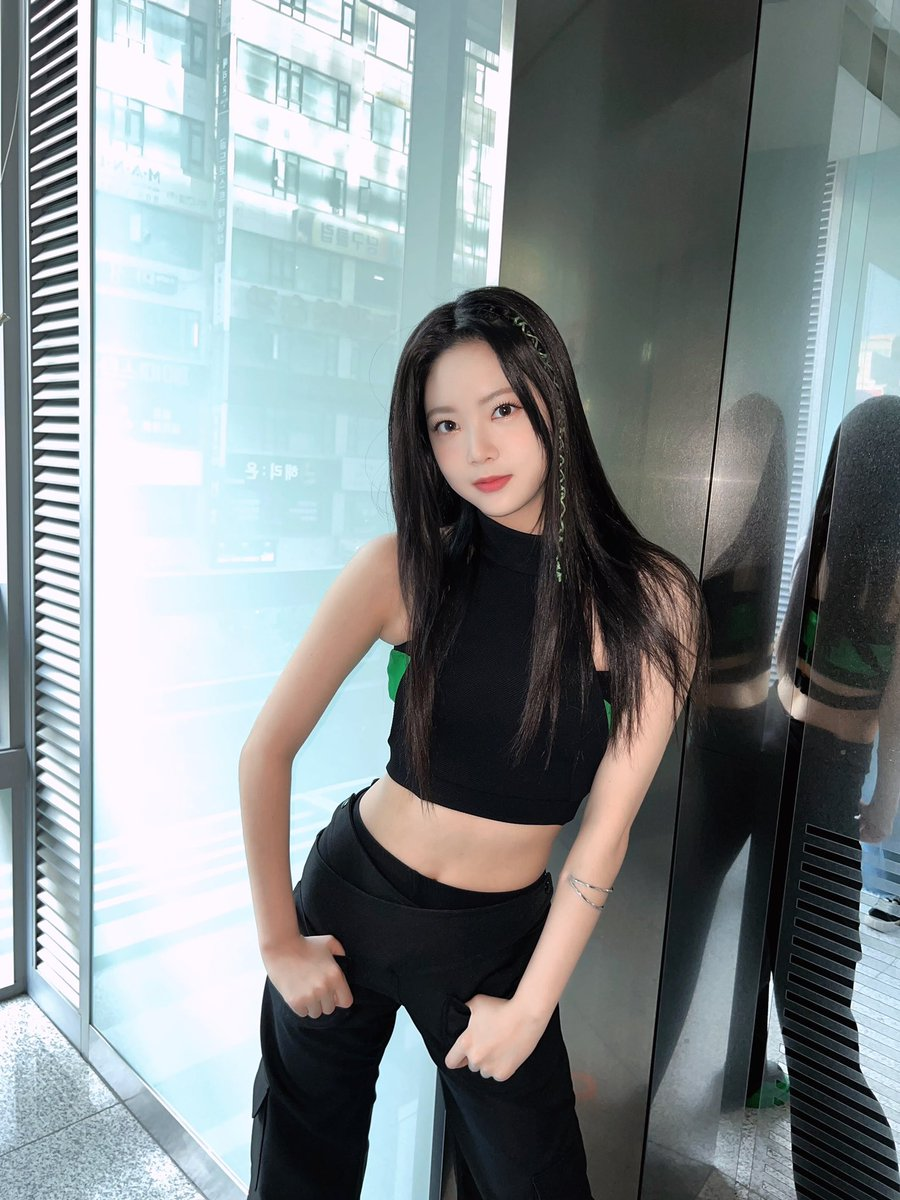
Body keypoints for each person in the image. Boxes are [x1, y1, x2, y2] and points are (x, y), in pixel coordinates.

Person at [238, 285, 707, 1200]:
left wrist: (530, 1010)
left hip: (498, 940)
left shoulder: (652, 602)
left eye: (501, 410)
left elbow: (605, 833)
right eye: (445, 426)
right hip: (350, 900)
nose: (476, 450)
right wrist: (277, 941)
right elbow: (266, 751)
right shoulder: (400, 570)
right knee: (298, 1172)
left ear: (552, 401)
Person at [752, 394, 900, 1195]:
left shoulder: (889, 573)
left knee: (812, 1000)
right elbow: (786, 666)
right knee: (797, 986)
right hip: (781, 763)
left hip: (829, 782)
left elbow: (896, 707)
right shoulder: (829, 550)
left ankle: (862, 1183)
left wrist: (884, 802)